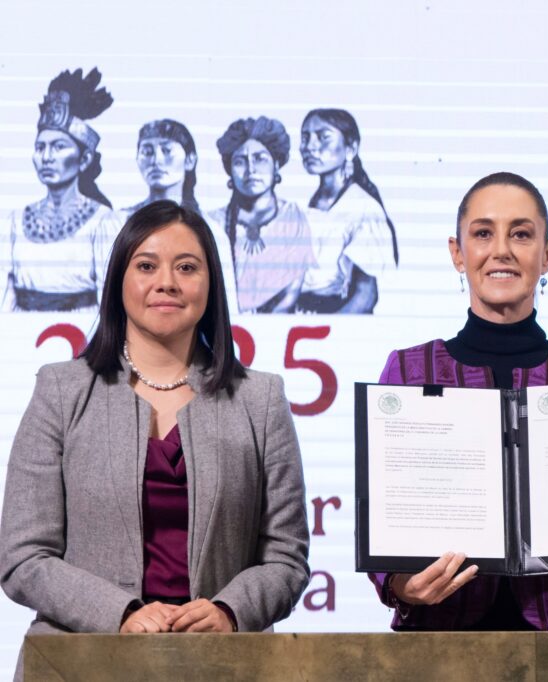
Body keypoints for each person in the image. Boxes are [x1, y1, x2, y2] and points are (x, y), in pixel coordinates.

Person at [0, 201, 310, 678]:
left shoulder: (261, 399)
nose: (166, 281)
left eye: (187, 267)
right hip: (79, 664)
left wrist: (230, 611)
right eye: (146, 265)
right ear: (119, 280)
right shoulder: (61, 390)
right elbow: (23, 556)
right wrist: (119, 613)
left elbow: (286, 558)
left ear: (210, 285)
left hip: (221, 666)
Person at [369, 172, 548, 630]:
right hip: (438, 648)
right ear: (457, 253)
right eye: (483, 233)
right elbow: (381, 514)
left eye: (521, 234)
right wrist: (400, 585)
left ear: (547, 255)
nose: (501, 249)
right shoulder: (407, 373)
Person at [1, 67, 121, 312]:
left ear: (84, 159)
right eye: (40, 147)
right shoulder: (14, 222)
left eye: (58, 147)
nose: (46, 157)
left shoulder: (102, 222)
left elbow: (111, 302)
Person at [298, 108, 398, 314]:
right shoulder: (304, 205)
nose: (310, 146)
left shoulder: (363, 208)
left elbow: (366, 296)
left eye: (323, 137)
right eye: (305, 137)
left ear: (351, 148)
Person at [210, 116, 314, 313]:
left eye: (260, 159)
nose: (251, 170)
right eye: (240, 161)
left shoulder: (293, 217)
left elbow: (291, 292)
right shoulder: (213, 222)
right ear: (229, 170)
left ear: (276, 165)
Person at [124, 119, 201, 214]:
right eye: (147, 152)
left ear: (190, 160)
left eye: (167, 150)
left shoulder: (208, 225)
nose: (156, 161)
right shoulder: (119, 221)